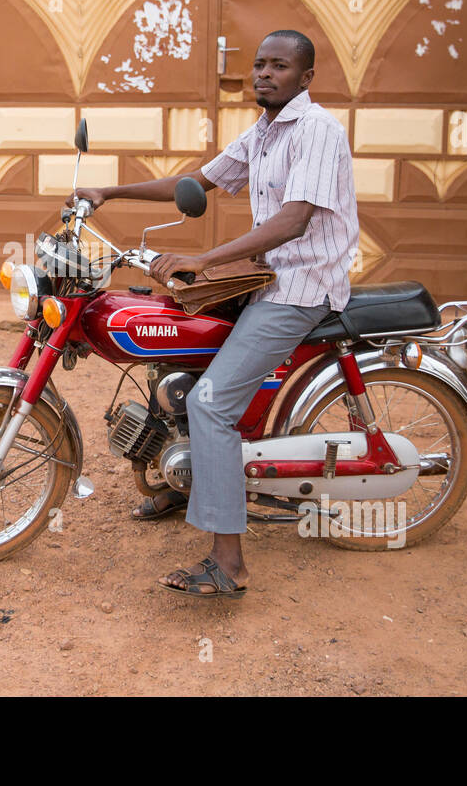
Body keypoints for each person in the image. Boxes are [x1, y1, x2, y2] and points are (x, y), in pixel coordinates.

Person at [66, 29, 359, 597]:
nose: (264, 74)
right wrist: (108, 191)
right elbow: (196, 183)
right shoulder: (266, 131)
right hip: (269, 279)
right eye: (258, 65)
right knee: (177, 348)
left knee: (211, 402)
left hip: (302, 287)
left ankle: (229, 562)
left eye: (279, 66)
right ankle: (186, 482)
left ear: (306, 77)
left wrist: (204, 260)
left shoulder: (317, 130)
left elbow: (293, 220)